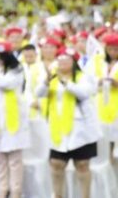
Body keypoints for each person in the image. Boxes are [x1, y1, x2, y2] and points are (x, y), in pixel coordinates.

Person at [36, 47, 99, 198]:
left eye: (66, 59)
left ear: (74, 61)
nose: (62, 62)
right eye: (60, 59)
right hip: (58, 129)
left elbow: (84, 93)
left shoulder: (82, 77)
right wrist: (46, 81)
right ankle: (58, 195)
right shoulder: (52, 78)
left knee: (82, 165)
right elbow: (39, 93)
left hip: (81, 130)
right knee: (57, 165)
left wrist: (65, 83)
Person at [0, 41, 30, 198]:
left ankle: (15, 192)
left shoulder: (17, 72)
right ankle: (2, 191)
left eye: (0, 57)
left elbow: (6, 83)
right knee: (0, 161)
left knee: (14, 162)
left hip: (13, 121)